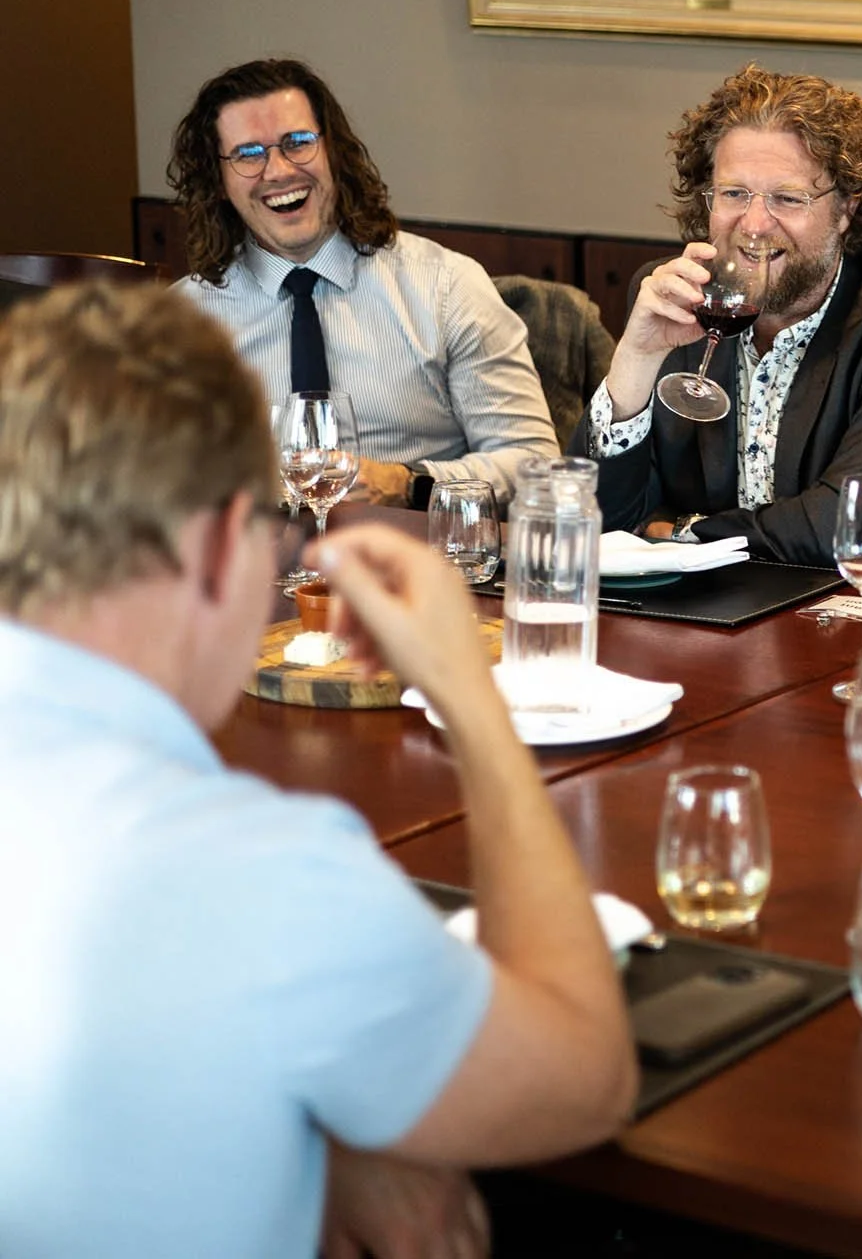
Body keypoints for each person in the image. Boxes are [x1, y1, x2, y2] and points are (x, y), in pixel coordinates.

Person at [0, 284, 635, 1255]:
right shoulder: (261, 871)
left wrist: (335, 1131)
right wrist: (473, 698)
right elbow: (583, 1080)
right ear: (221, 542)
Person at [573, 63, 862, 566]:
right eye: (734, 194)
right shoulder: (677, 297)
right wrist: (633, 363)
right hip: (700, 623)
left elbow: (852, 527)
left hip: (857, 620)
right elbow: (594, 520)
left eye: (788, 198)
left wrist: (685, 533)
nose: (755, 224)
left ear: (847, 208)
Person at [168, 57, 560, 508]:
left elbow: (536, 466)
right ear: (218, 180)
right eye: (248, 154)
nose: (276, 171)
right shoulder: (180, 323)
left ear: (334, 151)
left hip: (416, 565)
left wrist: (408, 485)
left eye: (297, 142)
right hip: (255, 568)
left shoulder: (446, 288)